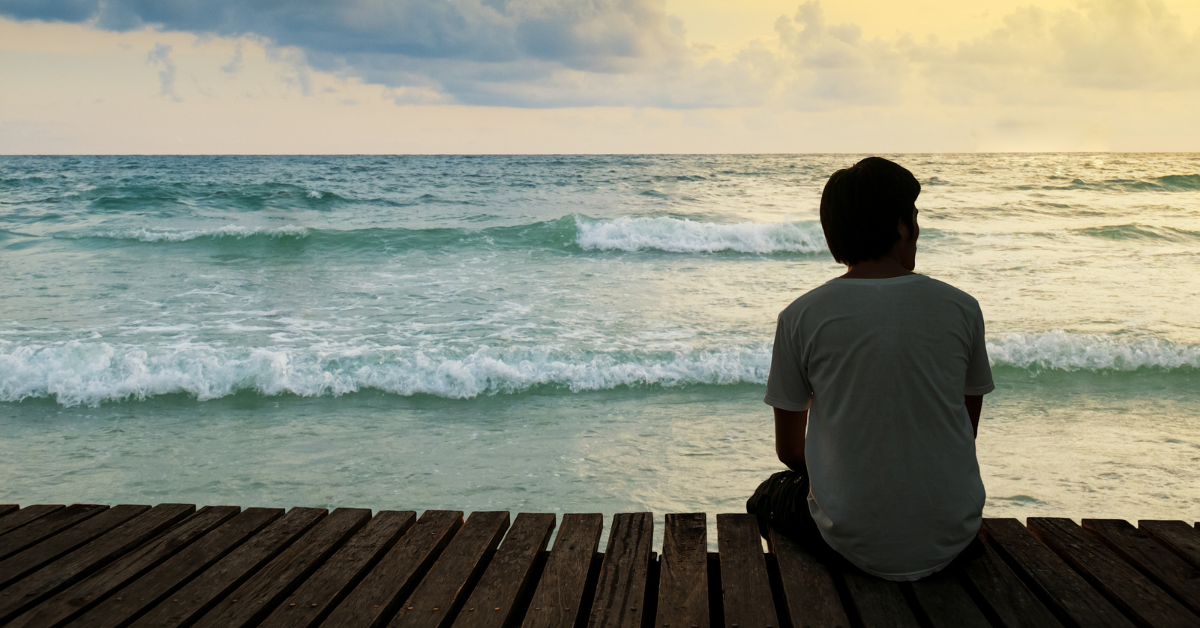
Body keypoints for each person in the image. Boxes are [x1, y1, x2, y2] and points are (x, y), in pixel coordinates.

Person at [747, 156, 994, 581]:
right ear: (900, 227)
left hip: (852, 540)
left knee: (767, 496)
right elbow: (961, 433)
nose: (919, 230)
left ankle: (809, 584)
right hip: (954, 531)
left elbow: (790, 452)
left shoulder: (801, 316)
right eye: (915, 218)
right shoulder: (962, 308)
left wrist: (848, 468)